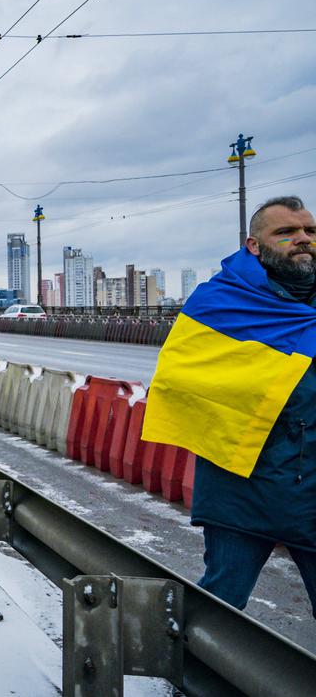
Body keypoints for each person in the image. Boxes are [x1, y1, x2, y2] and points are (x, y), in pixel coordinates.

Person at [148, 195, 316, 614]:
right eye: (286, 232)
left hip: (310, 482)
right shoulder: (220, 303)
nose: (303, 239)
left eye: (310, 231)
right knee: (221, 604)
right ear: (253, 245)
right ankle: (197, 676)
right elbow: (183, 380)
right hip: (240, 484)